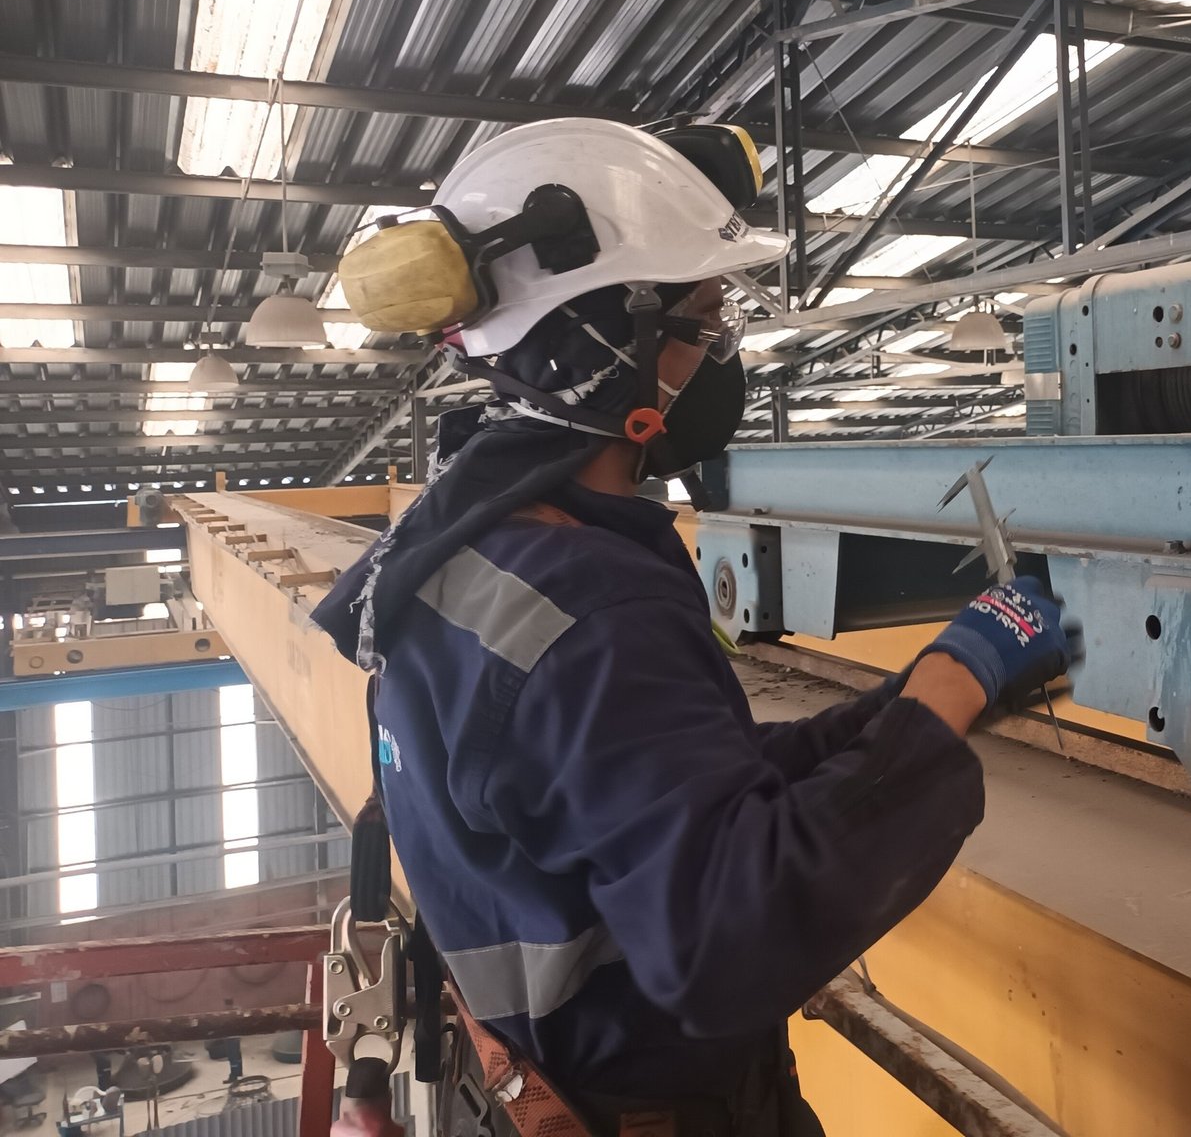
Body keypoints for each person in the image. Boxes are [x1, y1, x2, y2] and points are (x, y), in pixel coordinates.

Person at [312, 119, 1078, 1137]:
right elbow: (730, 938)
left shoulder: (469, 549)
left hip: (536, 1087)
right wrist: (954, 682)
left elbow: (667, 783)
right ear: (603, 343)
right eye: (707, 316)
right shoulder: (593, 610)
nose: (724, 348)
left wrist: (912, 701)